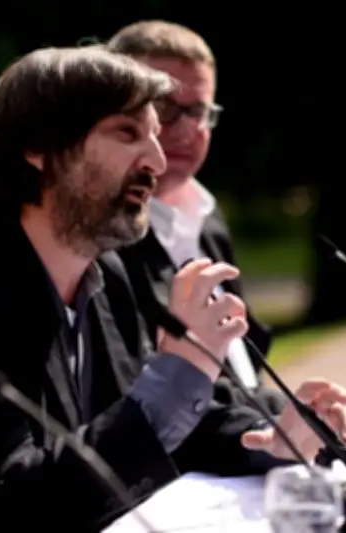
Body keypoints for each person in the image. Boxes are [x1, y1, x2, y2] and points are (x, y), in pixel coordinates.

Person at [0, 45, 346, 532]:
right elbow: (17, 504)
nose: (156, 161)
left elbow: (152, 426)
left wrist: (270, 438)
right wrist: (181, 372)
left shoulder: (104, 273)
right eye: (128, 134)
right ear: (38, 146)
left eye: (153, 136)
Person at [106, 21, 289, 414]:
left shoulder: (208, 216)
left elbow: (241, 371)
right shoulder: (103, 236)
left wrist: (302, 415)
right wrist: (281, 420)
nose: (186, 128)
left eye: (199, 111)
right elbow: (140, 391)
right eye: (164, 107)